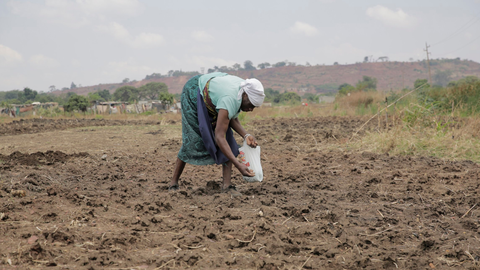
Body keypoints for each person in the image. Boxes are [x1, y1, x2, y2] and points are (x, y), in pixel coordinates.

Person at [169, 72, 265, 194]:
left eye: (254, 107)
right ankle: (173, 183)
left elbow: (231, 117)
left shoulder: (243, 89)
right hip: (194, 93)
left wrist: (246, 135)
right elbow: (219, 137)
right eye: (251, 105)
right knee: (192, 139)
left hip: (213, 98)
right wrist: (238, 165)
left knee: (229, 140)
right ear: (245, 96)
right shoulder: (230, 98)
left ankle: (227, 186)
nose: (251, 109)